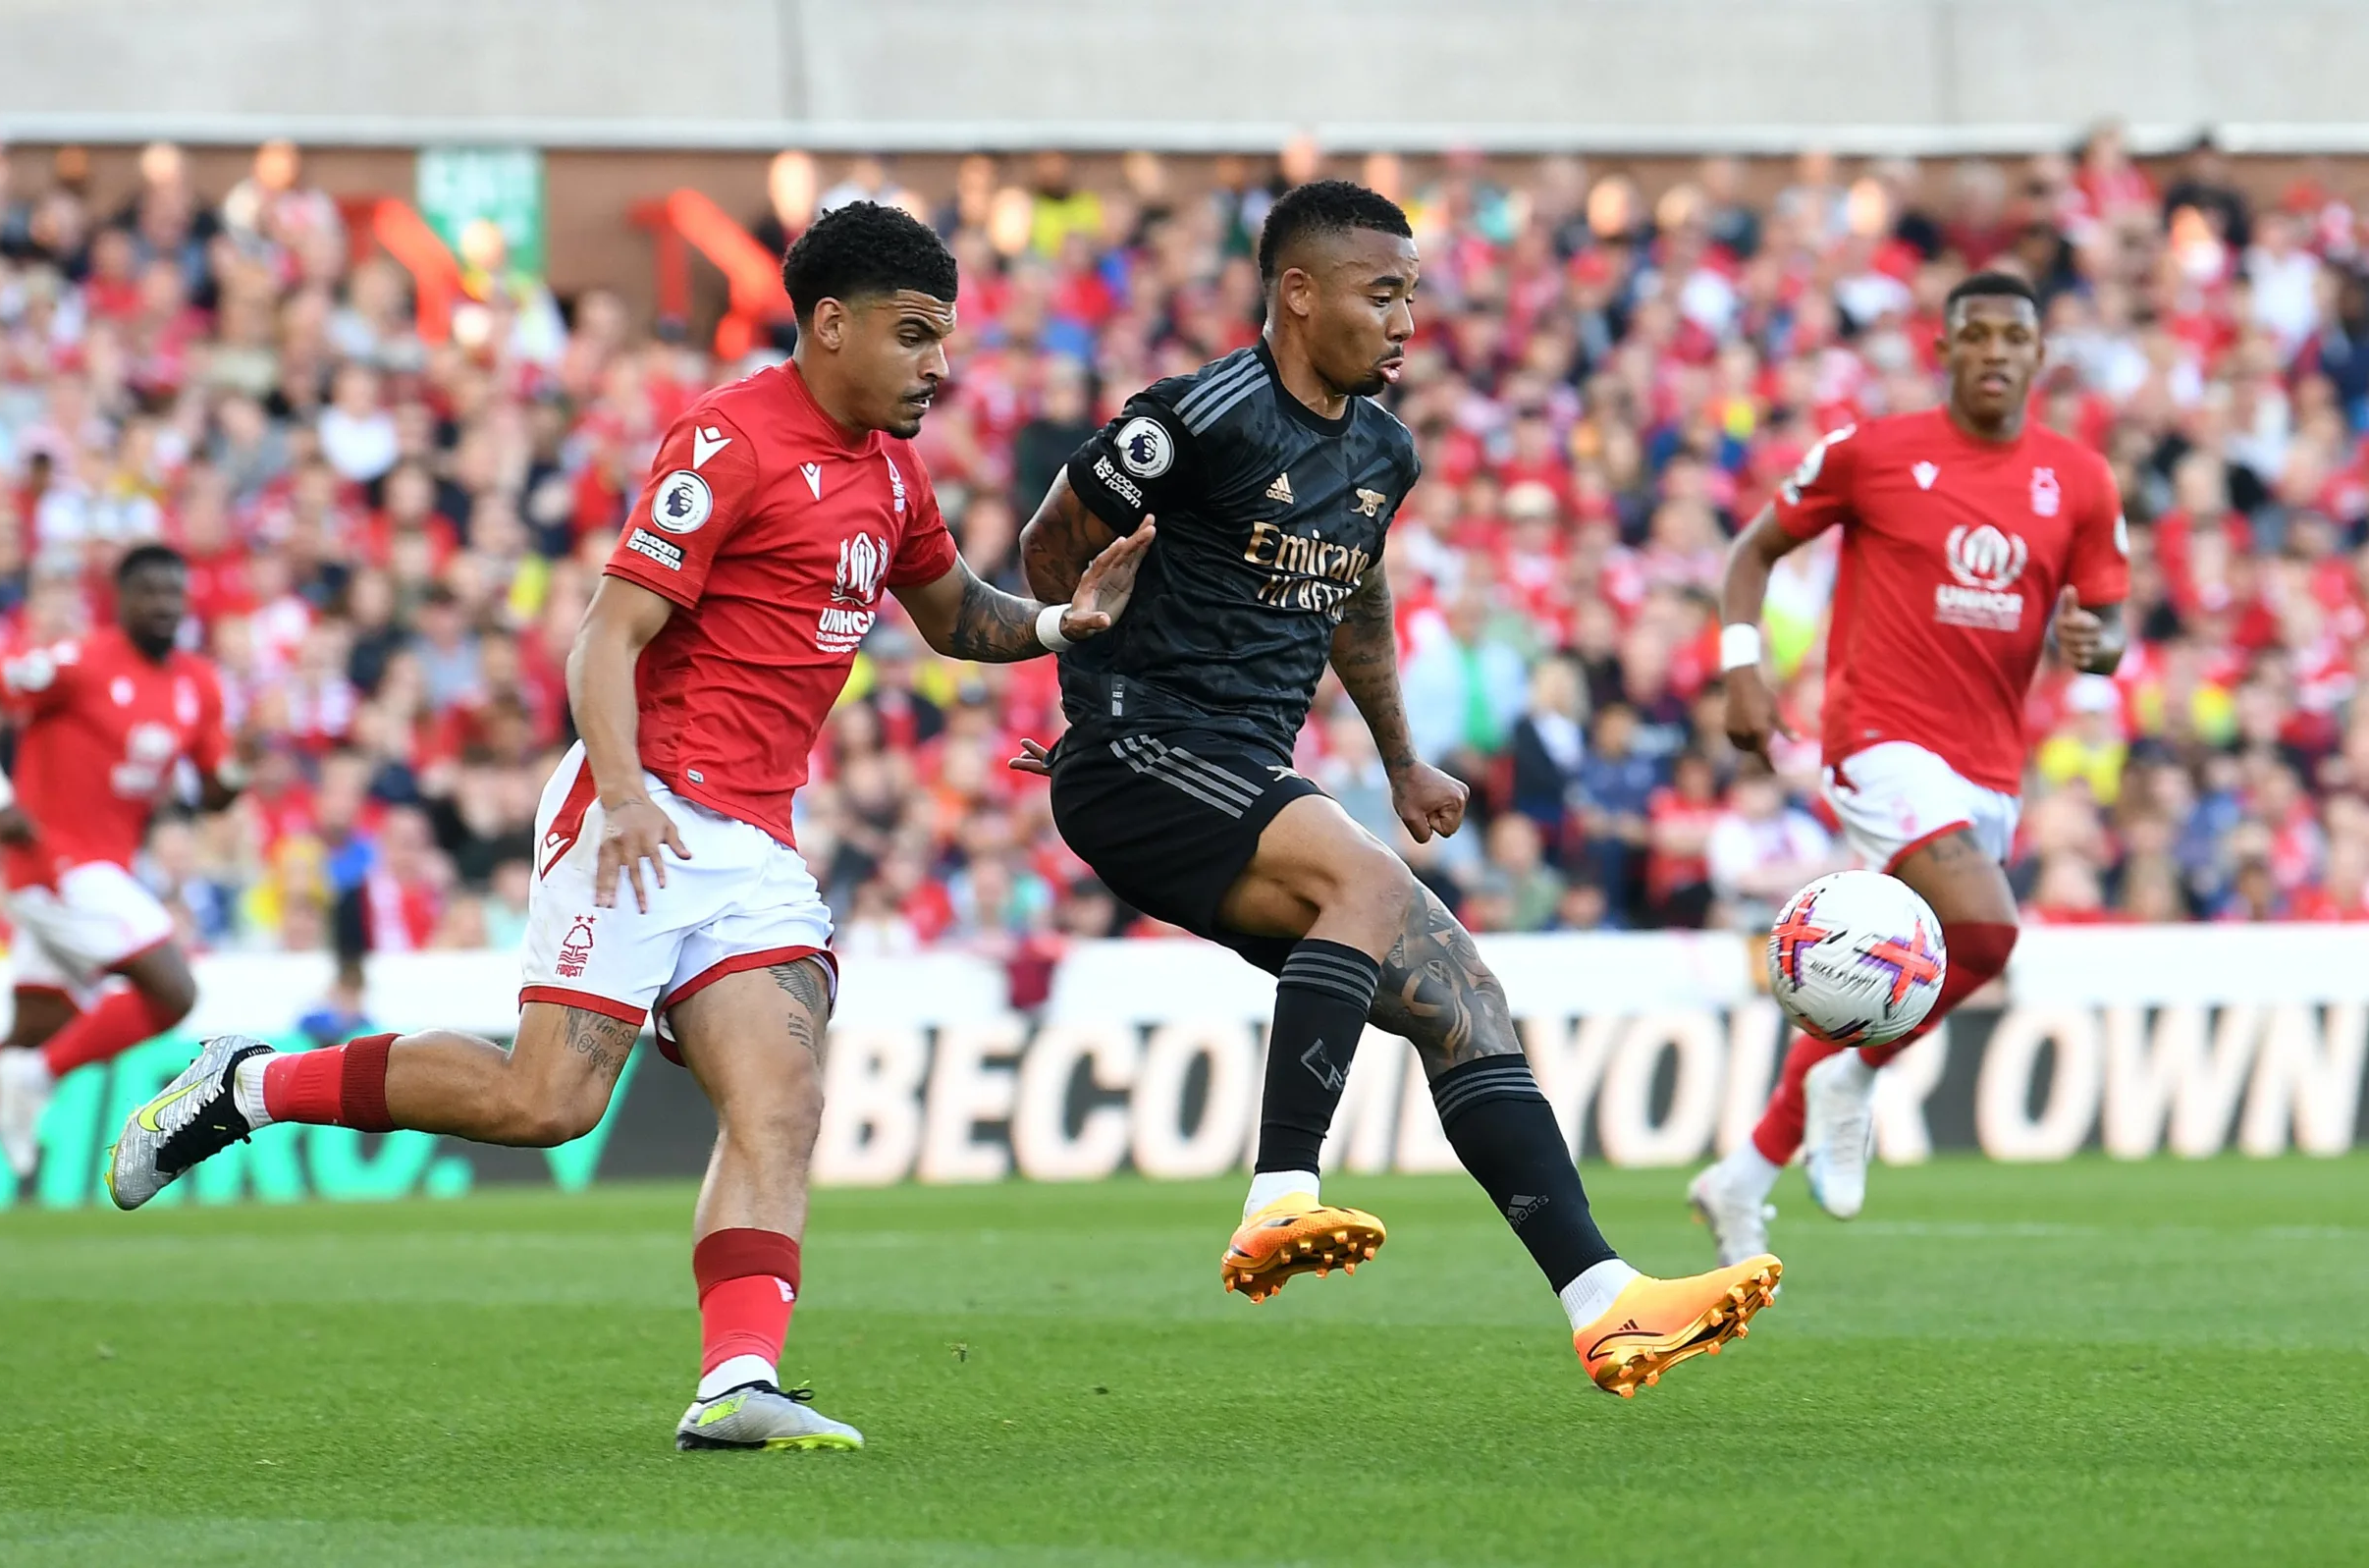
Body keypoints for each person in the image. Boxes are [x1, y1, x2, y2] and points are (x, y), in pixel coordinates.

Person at [104, 203, 1150, 1451]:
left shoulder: (891, 473)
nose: (940, 364)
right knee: (543, 1104)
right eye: (914, 334)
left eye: (945, 338)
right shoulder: (729, 439)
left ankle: (735, 1380)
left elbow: (948, 614)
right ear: (829, 325)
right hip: (636, 810)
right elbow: (606, 632)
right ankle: (250, 1082)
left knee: (782, 1099)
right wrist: (628, 786)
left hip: (754, 843)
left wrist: (1053, 628)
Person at [1016, 181, 1778, 1399]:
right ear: (1298, 293)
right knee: (1368, 880)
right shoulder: (1195, 416)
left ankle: (1605, 1303)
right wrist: (1082, 638)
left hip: (1248, 768)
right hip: (1136, 748)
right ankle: (1277, 1196)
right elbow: (1051, 541)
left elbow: (1354, 596)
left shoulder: (1383, 447)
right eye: (1383, 292)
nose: (1406, 316)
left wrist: (1399, 754)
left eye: (1412, 292)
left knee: (1463, 994)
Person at [1689, 272, 2128, 1264]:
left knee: (1910, 964)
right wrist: (1742, 671)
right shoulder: (1871, 453)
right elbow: (1750, 555)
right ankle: (1853, 1080)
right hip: (1875, 735)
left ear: (2036, 354)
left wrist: (2099, 647)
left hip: (1988, 766)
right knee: (1986, 927)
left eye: (2012, 336)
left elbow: (2108, 628)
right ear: (1944, 348)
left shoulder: (2082, 481)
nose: (1992, 351)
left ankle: (1742, 1177)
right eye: (1972, 333)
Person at [0, 545, 242, 1257]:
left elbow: (213, 782)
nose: (165, 603)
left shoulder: (196, 684)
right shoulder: (78, 661)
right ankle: (38, 1077)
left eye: (176, 591)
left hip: (99, 872)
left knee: (28, 1032)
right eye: (149, 591)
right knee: (173, 989)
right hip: (56, 866)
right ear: (119, 597)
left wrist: (231, 779)